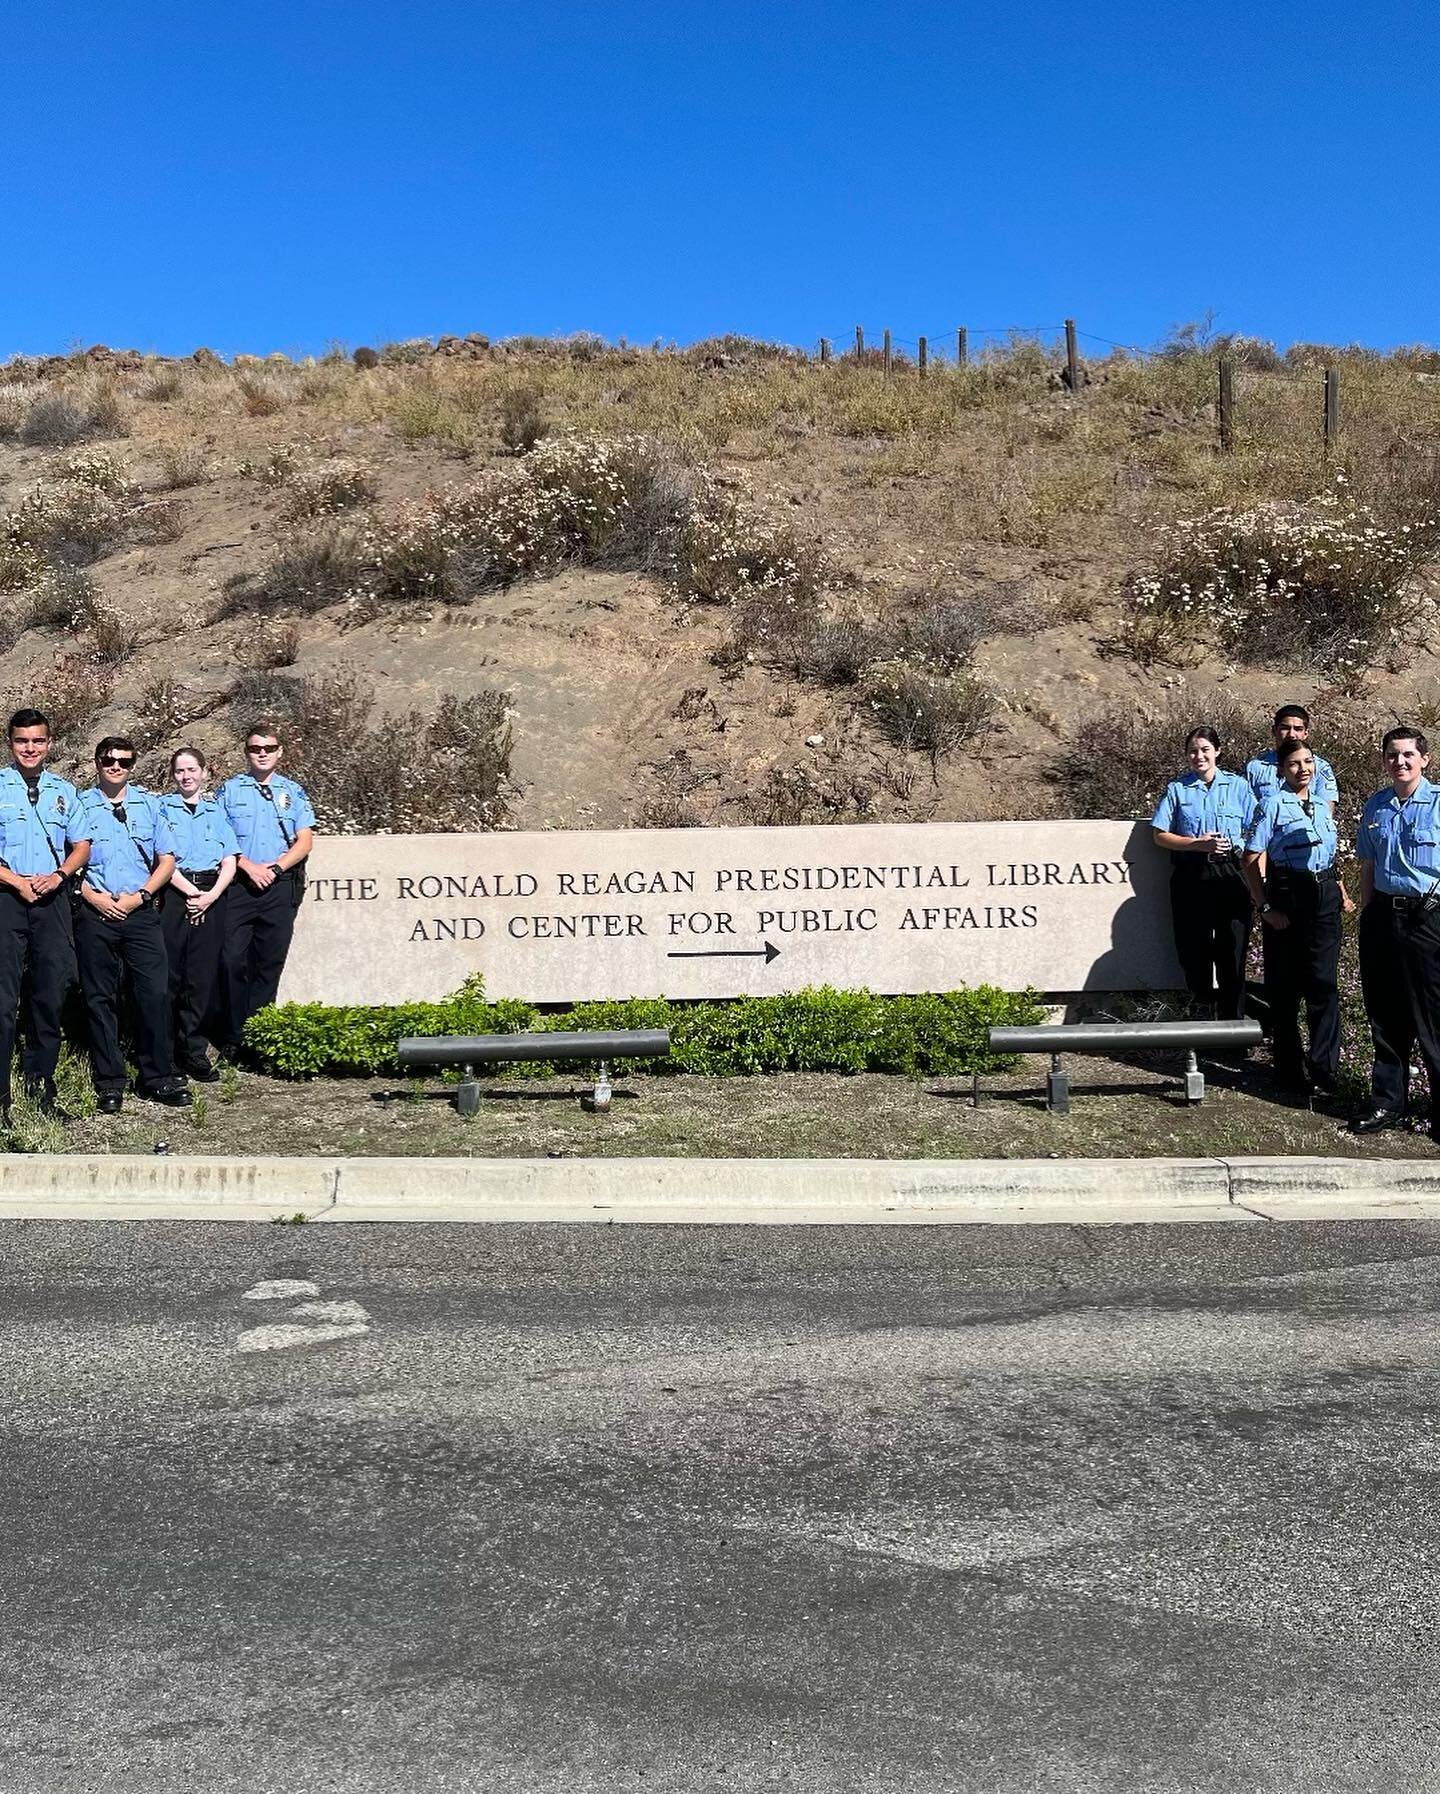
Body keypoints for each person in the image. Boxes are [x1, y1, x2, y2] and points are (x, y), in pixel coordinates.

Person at [75, 736, 189, 1113]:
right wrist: (92, 897)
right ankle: (109, 1081)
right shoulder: (79, 805)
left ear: (132, 765)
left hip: (139, 912)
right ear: (96, 763)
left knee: (154, 994)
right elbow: (67, 860)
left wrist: (140, 896)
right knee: (99, 997)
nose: (115, 766)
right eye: (108, 760)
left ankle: (156, 1075)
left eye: (123, 761)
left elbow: (166, 861)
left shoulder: (150, 806)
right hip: (96, 911)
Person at [1242, 739, 1352, 1098]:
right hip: (1286, 896)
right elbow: (1250, 859)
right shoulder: (1272, 805)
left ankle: (1324, 1071)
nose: (1303, 768)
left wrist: (1342, 892)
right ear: (1281, 770)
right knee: (1285, 987)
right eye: (1294, 763)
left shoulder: (1322, 807)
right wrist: (1266, 908)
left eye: (1308, 761)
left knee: (1323, 984)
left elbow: (1329, 857)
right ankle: (1288, 1071)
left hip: (1323, 898)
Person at [1351, 726, 1440, 1137]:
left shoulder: (1438, 804)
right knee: (1385, 1015)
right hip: (1383, 917)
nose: (1400, 762)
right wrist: (1367, 915)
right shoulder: (1376, 807)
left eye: (1408, 755)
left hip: (1428, 918)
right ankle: (1388, 1105)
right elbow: (1368, 866)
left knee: (1433, 1016)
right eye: (1392, 755)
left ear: (1424, 759)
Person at [0, 709, 91, 1114]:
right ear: (10, 743)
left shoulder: (64, 791)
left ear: (48, 743)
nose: (30, 748)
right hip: (7, 897)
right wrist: (16, 882)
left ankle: (41, 1084)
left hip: (51, 900)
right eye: (22, 741)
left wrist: (59, 875)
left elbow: (82, 845)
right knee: (3, 1000)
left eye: (37, 741)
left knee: (49, 993)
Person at [215, 722, 315, 1058]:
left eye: (268, 748)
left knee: (269, 961)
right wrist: (249, 867)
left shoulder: (293, 792)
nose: (262, 754)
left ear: (279, 752)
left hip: (278, 884)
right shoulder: (229, 791)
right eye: (256, 748)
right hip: (240, 885)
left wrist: (275, 869)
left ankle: (258, 1036)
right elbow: (220, 837)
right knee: (230, 960)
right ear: (246, 752)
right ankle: (232, 1034)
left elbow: (304, 841)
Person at [1151, 725, 1258, 1024]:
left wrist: (1237, 847)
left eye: (1204, 750)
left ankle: (1233, 1030)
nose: (1199, 756)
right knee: (1194, 953)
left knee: (1232, 954)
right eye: (1193, 751)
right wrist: (1196, 845)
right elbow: (1159, 835)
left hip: (1230, 874)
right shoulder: (1177, 789)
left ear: (1217, 751)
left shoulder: (1238, 787)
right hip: (1191, 876)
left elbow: (1257, 829)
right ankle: (1200, 1028)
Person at [160, 747, 238, 1084]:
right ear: (173, 775)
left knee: (201, 978)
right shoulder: (162, 809)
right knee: (171, 977)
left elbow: (230, 859)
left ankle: (194, 1051)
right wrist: (190, 893)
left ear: (205, 772)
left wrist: (210, 896)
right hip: (176, 894)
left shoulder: (215, 812)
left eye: (192, 769)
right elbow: (162, 858)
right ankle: (167, 1055)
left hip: (212, 894)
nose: (186, 776)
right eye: (180, 771)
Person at [1245, 705, 1339, 810]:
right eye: (1285, 728)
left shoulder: (1320, 768)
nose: (1291, 734)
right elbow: (1245, 808)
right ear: (1274, 731)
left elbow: (1326, 811)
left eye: (1298, 729)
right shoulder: (1255, 768)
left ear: (1306, 733)